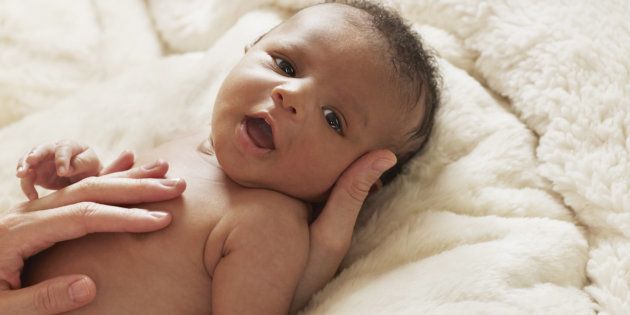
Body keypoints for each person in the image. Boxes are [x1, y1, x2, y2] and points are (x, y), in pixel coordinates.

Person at [16, 1, 440, 314]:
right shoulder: (195, 142)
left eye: (333, 119)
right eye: (287, 66)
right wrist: (78, 175)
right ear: (248, 50)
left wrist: (320, 258)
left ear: (359, 176)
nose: (290, 96)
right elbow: (103, 217)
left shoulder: (267, 223)